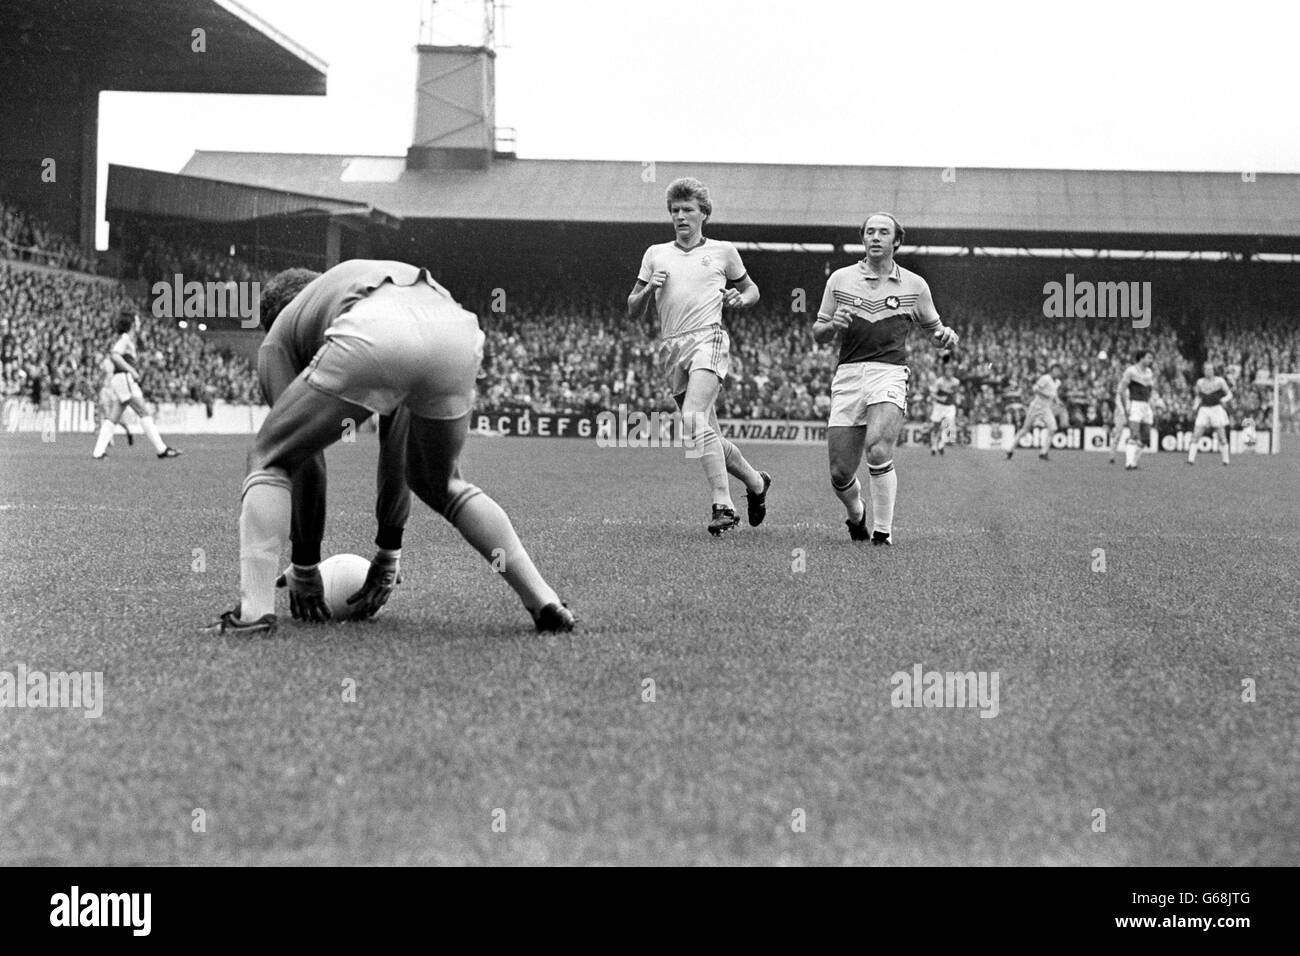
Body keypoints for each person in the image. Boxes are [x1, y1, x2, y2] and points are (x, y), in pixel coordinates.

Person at [207, 260, 574, 634]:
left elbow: (302, 460)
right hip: (455, 329)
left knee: (269, 458)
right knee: (441, 483)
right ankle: (543, 600)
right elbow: (397, 446)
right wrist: (388, 552)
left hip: (377, 329)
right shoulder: (344, 287)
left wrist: (304, 565)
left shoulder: (280, 335)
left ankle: (253, 615)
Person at [627, 177, 771, 536]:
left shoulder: (723, 251)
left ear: (704, 213)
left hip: (710, 338)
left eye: (688, 210)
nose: (680, 216)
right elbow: (632, 309)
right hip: (671, 348)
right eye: (675, 210)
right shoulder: (655, 254)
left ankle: (723, 504)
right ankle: (755, 483)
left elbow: (751, 289)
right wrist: (648, 289)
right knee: (707, 434)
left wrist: (742, 299)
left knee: (692, 419)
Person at [813, 213, 960, 544]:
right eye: (869, 232)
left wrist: (945, 336)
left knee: (878, 450)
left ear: (896, 241)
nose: (875, 237)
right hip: (848, 375)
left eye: (883, 232)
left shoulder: (914, 285)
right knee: (839, 473)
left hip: (890, 372)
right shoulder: (839, 279)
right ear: (863, 239)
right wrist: (832, 325)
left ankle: (883, 533)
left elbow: (935, 330)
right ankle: (857, 514)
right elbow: (817, 332)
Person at [90, 310, 181, 460]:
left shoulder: (128, 340)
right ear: (132, 324)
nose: (139, 323)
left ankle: (98, 452)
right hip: (124, 379)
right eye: (137, 320)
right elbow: (114, 355)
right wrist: (131, 370)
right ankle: (161, 449)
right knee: (143, 412)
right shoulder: (125, 338)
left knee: (114, 416)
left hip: (121, 379)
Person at [1006, 363, 1063, 461]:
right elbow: (1035, 389)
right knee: (1025, 430)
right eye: (1055, 370)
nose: (1057, 372)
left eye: (1059, 370)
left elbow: (1054, 394)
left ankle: (1043, 453)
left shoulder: (1058, 382)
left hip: (1046, 408)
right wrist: (1046, 395)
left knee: (1053, 428)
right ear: (1052, 370)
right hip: (1036, 407)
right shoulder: (1045, 378)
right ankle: (1010, 449)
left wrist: (1058, 401)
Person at [1118, 349, 1159, 471]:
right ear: (1141, 358)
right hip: (1135, 404)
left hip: (1146, 406)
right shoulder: (1130, 371)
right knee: (1134, 435)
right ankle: (1128, 463)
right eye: (1149, 358)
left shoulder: (1149, 372)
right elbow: (1121, 390)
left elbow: (1150, 391)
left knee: (1145, 437)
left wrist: (1152, 406)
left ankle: (1134, 462)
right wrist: (1126, 406)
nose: (1151, 360)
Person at [1187, 361, 1233, 466]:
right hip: (1204, 409)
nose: (1209, 371)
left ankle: (1226, 460)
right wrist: (1194, 408)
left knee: (1222, 436)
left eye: (1211, 369)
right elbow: (1198, 397)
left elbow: (1229, 394)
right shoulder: (1200, 382)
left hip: (1216, 409)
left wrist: (1224, 400)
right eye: (1207, 369)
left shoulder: (1220, 381)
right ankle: (1190, 460)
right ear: (1204, 371)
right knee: (1196, 434)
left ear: (1214, 370)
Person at [928, 362, 961, 455]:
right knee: (936, 426)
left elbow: (956, 392)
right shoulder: (939, 381)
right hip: (939, 406)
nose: (949, 372)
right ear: (944, 371)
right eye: (947, 370)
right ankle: (934, 446)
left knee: (949, 426)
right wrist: (939, 398)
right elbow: (932, 393)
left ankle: (941, 444)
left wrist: (957, 398)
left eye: (951, 370)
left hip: (950, 407)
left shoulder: (956, 382)